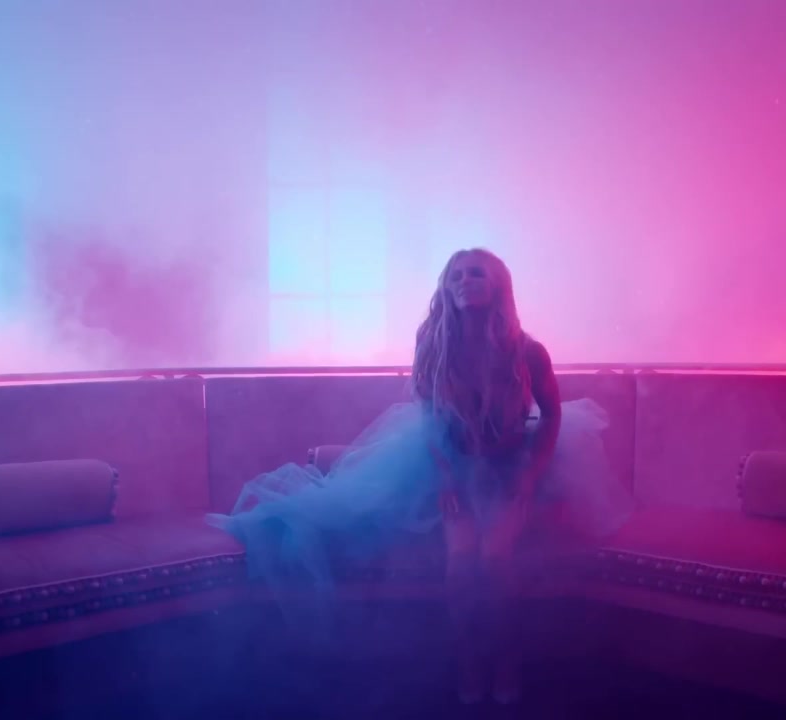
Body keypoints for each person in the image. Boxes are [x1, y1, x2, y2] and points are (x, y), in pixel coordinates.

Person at [208, 248, 634, 705]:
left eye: (476, 273)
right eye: (457, 274)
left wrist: (530, 475)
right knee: (461, 562)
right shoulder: (433, 342)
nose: (465, 280)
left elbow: (551, 416)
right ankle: (469, 661)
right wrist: (446, 478)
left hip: (513, 463)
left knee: (495, 559)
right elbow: (430, 418)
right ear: (446, 287)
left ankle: (505, 660)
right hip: (452, 462)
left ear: (498, 286)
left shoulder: (527, 351)